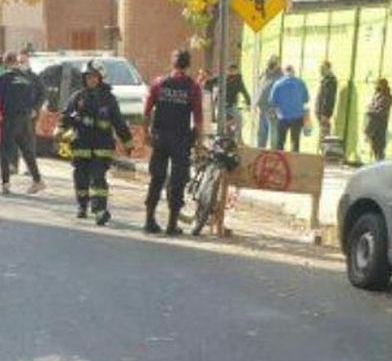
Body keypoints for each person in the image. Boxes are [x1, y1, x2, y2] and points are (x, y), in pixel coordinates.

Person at [60, 60, 133, 227]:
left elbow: (118, 122)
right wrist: (61, 129)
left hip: (102, 146)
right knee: (81, 178)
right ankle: (82, 204)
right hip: (81, 145)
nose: (91, 80)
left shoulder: (109, 99)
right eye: (88, 77)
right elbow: (65, 117)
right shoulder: (77, 97)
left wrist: (128, 142)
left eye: (94, 77)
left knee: (98, 179)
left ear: (100, 78)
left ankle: (100, 210)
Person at [143, 48, 203, 236]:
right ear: (188, 65)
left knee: (156, 178)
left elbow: (146, 111)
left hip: (160, 138)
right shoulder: (192, 87)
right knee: (177, 181)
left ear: (172, 63)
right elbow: (198, 118)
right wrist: (197, 139)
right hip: (180, 140)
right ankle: (171, 225)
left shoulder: (159, 83)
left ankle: (149, 220)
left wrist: (146, 133)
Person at [0, 51, 45, 194]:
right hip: (26, 119)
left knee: (4, 150)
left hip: (10, 119)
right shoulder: (29, 78)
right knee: (27, 151)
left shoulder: (5, 78)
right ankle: (38, 180)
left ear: (5, 63)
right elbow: (41, 93)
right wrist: (35, 109)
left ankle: (6, 183)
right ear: (17, 63)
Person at [271, 65, 311, 152]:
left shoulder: (278, 84)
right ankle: (295, 163)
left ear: (284, 73)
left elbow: (272, 101)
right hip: (297, 116)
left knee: (280, 142)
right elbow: (306, 99)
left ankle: (281, 161)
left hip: (282, 117)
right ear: (294, 72)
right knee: (295, 142)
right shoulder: (301, 83)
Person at [205, 63, 251, 138]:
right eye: (230, 70)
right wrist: (207, 84)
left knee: (238, 120)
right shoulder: (224, 77)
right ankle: (225, 131)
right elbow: (211, 82)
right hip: (222, 104)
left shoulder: (238, 80)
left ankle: (228, 132)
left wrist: (248, 102)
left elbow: (244, 91)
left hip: (231, 104)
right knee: (238, 120)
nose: (231, 72)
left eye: (233, 70)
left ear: (236, 71)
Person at [365, 77, 392, 161]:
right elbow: (371, 106)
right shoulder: (376, 95)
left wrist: (370, 111)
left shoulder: (387, 97)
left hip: (380, 124)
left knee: (379, 146)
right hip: (372, 124)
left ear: (383, 85)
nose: (376, 86)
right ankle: (376, 161)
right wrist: (370, 109)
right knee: (374, 145)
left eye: (378, 84)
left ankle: (380, 162)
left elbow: (381, 111)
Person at [255, 56, 281, 149]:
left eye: (274, 62)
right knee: (262, 131)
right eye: (270, 61)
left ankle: (274, 151)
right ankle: (260, 149)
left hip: (273, 108)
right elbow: (260, 89)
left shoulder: (280, 77)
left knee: (273, 130)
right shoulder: (264, 74)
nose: (271, 63)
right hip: (263, 107)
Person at [315, 61, 339, 141]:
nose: (320, 70)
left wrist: (325, 114)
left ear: (328, 68)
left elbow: (328, 98)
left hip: (324, 113)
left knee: (324, 136)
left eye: (322, 68)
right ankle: (323, 151)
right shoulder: (325, 80)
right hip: (321, 113)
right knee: (323, 134)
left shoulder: (330, 81)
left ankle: (325, 152)